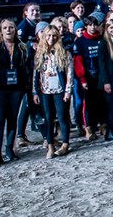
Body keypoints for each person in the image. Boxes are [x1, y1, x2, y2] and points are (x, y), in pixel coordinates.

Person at [0, 19, 29, 168]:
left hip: (16, 89)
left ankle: (9, 149)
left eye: (11, 27)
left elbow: (25, 67)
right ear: (0, 31)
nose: (8, 30)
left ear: (15, 30)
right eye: (5, 28)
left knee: (12, 119)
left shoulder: (21, 46)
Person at [32, 26, 74, 158]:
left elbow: (69, 73)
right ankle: (50, 145)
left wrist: (68, 90)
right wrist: (34, 92)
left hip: (60, 90)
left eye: (54, 35)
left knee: (62, 117)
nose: (51, 38)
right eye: (49, 35)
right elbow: (35, 73)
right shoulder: (40, 53)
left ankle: (65, 144)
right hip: (45, 90)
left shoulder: (64, 53)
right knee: (48, 118)